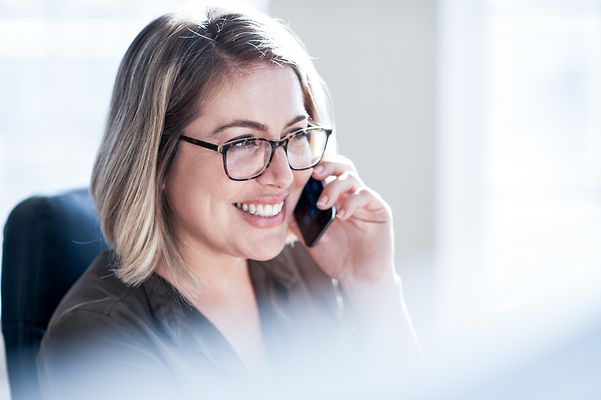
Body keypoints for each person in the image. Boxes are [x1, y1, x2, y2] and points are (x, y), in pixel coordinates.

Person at [37, 7, 420, 400]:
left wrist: (372, 286)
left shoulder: (305, 265)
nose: (283, 176)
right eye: (244, 143)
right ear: (155, 159)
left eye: (297, 134)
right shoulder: (98, 340)